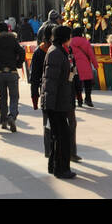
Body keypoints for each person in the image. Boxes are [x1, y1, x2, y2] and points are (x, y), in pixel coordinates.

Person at [40, 24, 78, 179]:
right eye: (69, 36)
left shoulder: (59, 51)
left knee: (59, 136)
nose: (71, 39)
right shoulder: (56, 53)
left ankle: (54, 166)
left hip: (59, 100)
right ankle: (61, 169)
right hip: (56, 103)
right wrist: (49, 104)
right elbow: (50, 81)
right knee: (63, 136)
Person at [0, 21, 25, 131]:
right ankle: (12, 116)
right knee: (14, 96)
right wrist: (19, 64)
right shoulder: (13, 40)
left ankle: (4, 120)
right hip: (12, 72)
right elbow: (21, 52)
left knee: (2, 97)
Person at [68, 27, 98, 107]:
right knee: (88, 83)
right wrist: (96, 65)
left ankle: (78, 100)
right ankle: (88, 99)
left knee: (76, 84)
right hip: (85, 65)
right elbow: (91, 55)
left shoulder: (70, 42)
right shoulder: (85, 42)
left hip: (74, 66)